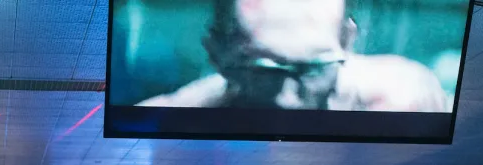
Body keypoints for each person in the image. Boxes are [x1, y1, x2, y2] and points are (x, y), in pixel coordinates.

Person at [139, 0, 451, 113]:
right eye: (265, 70)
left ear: (347, 40)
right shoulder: (168, 118)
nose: (288, 98)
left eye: (313, 67)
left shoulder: (404, 98)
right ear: (216, 52)